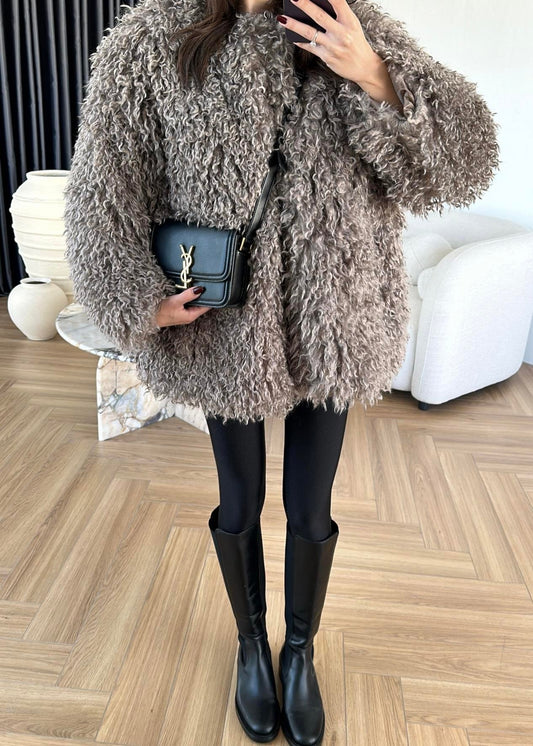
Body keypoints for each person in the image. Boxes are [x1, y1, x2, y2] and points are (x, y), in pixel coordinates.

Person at [63, 0, 500, 742]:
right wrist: (136, 297)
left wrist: (374, 73)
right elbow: (104, 186)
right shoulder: (152, 39)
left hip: (334, 310)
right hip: (223, 319)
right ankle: (249, 645)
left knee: (310, 505)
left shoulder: (349, 26)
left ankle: (299, 650)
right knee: (239, 500)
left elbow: (462, 162)